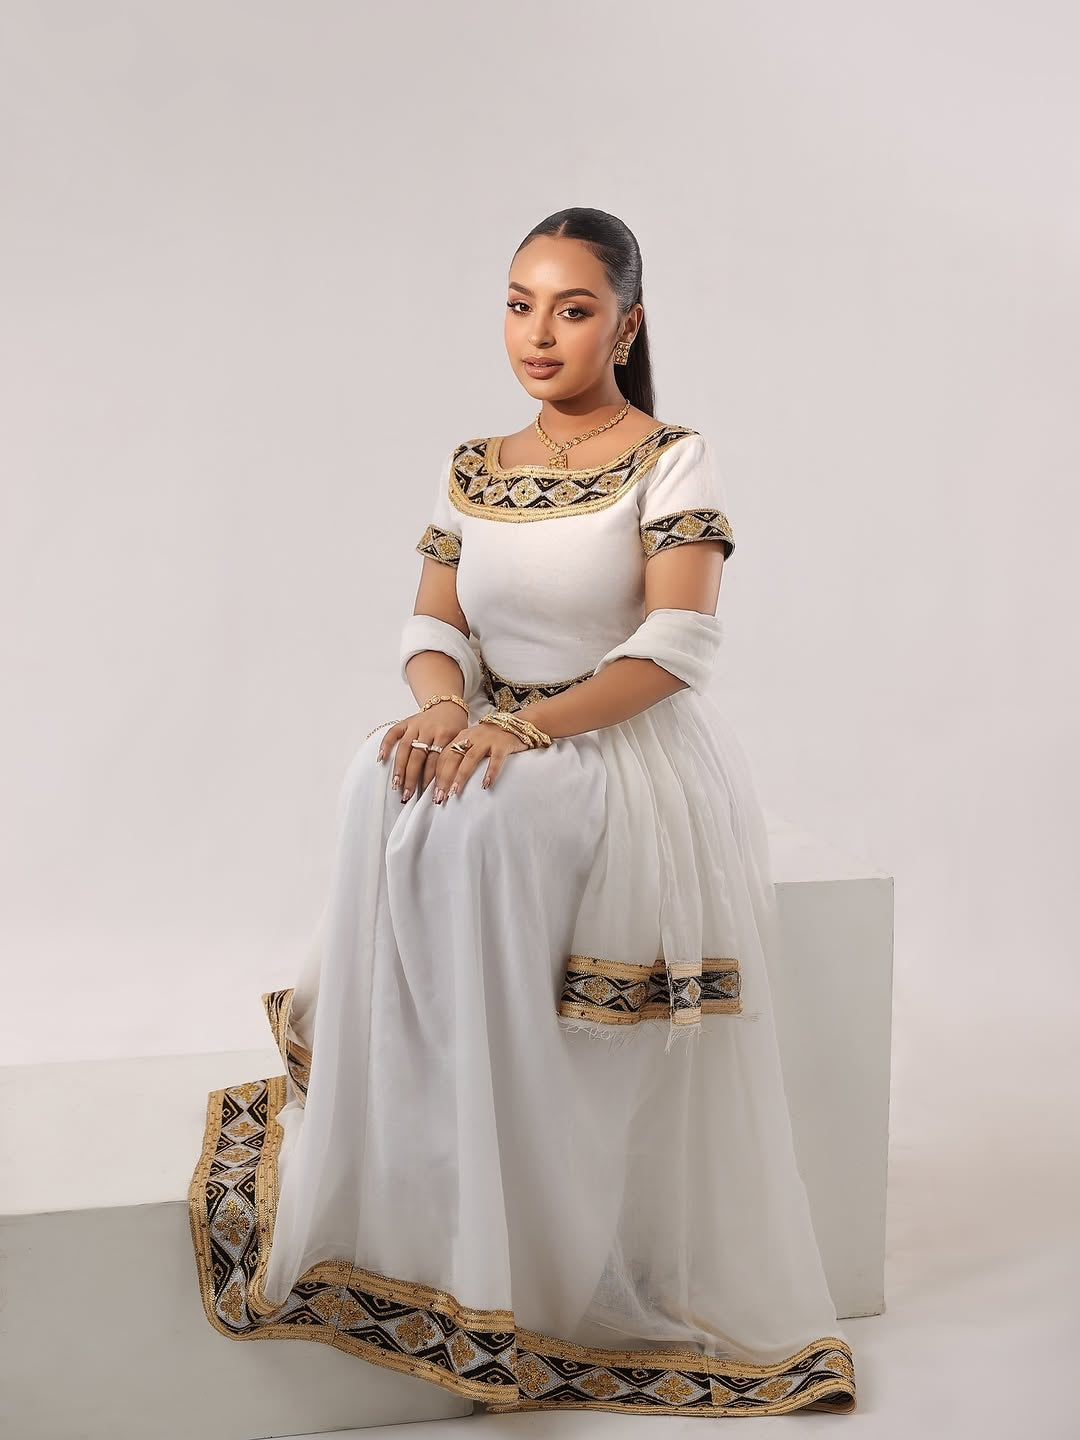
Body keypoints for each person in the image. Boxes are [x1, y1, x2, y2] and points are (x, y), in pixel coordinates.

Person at [188, 207, 857, 1418]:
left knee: (489, 822)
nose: (538, 333)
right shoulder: (473, 462)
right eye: (518, 303)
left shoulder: (672, 455)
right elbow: (434, 624)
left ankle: (525, 1210)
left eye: (572, 307)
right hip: (497, 729)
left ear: (627, 323)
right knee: (371, 774)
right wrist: (446, 706)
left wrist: (526, 728)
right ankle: (410, 1132)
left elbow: (679, 644)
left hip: (615, 743)